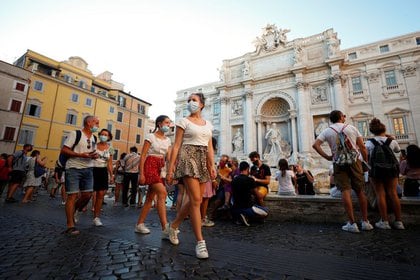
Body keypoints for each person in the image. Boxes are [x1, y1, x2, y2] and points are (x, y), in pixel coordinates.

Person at [166, 92, 216, 259]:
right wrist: (171, 167)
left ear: (201, 104)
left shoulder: (208, 124)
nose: (190, 103)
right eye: (188, 100)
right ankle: (200, 243)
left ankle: (173, 226)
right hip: (188, 157)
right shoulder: (183, 121)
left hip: (202, 159)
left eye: (193, 100)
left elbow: (209, 147)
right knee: (195, 200)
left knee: (197, 200)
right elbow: (176, 145)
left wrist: (212, 165)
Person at [312, 110, 373, 233]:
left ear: (331, 119)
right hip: (355, 161)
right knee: (360, 190)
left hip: (338, 162)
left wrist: (328, 157)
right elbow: (362, 147)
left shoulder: (327, 131)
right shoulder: (351, 128)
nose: (345, 117)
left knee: (345, 191)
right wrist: (365, 162)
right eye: (344, 116)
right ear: (341, 117)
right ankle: (365, 221)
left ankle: (352, 223)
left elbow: (315, 145)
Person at [61, 115, 99, 235]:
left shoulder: (94, 138)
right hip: (73, 168)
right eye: (96, 123)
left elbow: (91, 151)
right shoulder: (75, 134)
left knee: (87, 195)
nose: (98, 125)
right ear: (89, 123)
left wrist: (94, 155)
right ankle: (70, 225)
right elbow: (64, 150)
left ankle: (74, 211)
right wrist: (80, 155)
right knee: (72, 196)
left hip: (88, 168)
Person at [135, 115, 172, 235]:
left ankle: (139, 224)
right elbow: (143, 155)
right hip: (150, 164)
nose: (169, 125)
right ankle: (165, 228)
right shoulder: (150, 136)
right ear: (159, 124)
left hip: (160, 167)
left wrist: (170, 171)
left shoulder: (168, 140)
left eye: (169, 123)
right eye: (167, 123)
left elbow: (169, 158)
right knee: (162, 193)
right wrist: (141, 173)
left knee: (150, 197)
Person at [365, 118, 404, 230]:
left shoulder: (369, 143)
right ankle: (399, 221)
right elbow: (398, 151)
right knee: (393, 193)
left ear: (372, 131)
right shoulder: (392, 141)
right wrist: (388, 136)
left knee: (380, 194)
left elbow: (365, 157)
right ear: (384, 129)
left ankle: (385, 221)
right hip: (391, 170)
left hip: (376, 171)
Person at [231, 161, 269, 226]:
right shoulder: (250, 180)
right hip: (247, 207)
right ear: (247, 169)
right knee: (266, 211)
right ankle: (246, 215)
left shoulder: (234, 179)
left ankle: (241, 217)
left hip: (235, 208)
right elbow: (259, 196)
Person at [92, 129, 114, 226]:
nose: (103, 136)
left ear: (109, 137)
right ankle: (78, 210)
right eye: (102, 134)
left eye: (106, 135)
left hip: (103, 171)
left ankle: (96, 217)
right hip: (91, 169)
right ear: (99, 135)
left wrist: (111, 175)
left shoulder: (110, 148)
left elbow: (109, 162)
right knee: (87, 193)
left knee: (100, 194)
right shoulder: (93, 145)